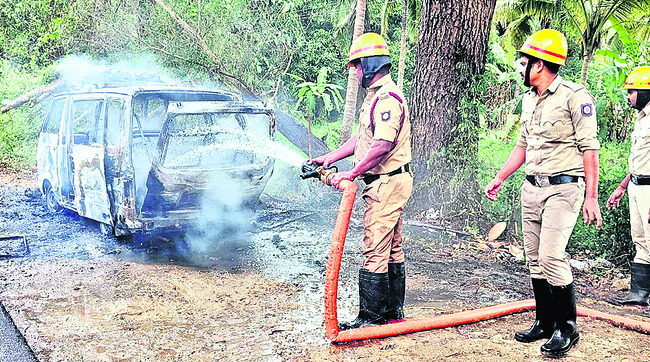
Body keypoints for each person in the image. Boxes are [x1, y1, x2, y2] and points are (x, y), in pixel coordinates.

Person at [484, 29, 602, 357]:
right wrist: (500, 177)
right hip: (531, 187)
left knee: (552, 257)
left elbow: (590, 150)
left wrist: (591, 197)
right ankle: (545, 322)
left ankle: (567, 329)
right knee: (534, 260)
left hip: (564, 189)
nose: (520, 69)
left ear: (539, 66)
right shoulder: (528, 99)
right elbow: (522, 144)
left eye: (524, 63)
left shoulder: (575, 96)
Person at [310, 32, 412, 330]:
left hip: (385, 183)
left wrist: (352, 174)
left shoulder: (387, 99)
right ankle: (393, 314)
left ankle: (371, 318)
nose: (353, 72)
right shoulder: (376, 98)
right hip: (391, 181)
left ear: (368, 65)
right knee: (392, 248)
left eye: (356, 65)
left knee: (374, 249)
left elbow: (382, 144)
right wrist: (330, 158)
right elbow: (363, 138)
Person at [606, 66, 650, 317]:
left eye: (632, 91)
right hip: (636, 185)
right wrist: (622, 186)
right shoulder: (641, 118)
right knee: (640, 240)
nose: (629, 96)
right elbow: (640, 158)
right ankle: (639, 294)